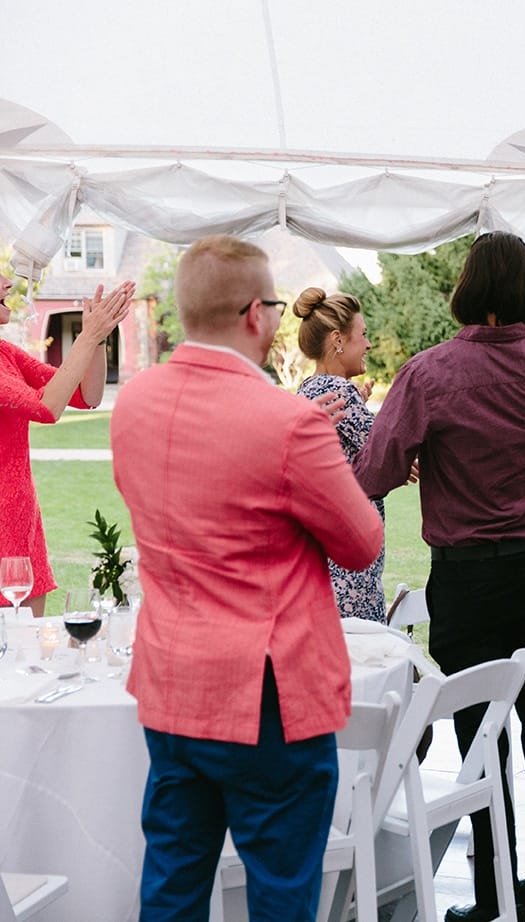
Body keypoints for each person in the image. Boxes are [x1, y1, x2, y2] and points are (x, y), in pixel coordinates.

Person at [352, 204, 525, 922]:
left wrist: (407, 455)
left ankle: (491, 893)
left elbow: (371, 474)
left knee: (481, 736)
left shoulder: (428, 373)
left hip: (465, 580)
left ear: (466, 290)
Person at [110, 235, 383, 920]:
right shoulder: (289, 422)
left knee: (172, 885)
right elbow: (360, 543)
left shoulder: (133, 404)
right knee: (281, 892)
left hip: (172, 684)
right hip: (267, 694)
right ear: (255, 314)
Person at [0, 273, 133, 615]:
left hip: (21, 519)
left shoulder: (5, 354)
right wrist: (87, 336)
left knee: (26, 655)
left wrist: (99, 339)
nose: (7, 282)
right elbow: (46, 408)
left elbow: (85, 395)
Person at [294, 287, 388, 621]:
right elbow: (387, 453)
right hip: (347, 566)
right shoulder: (339, 391)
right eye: (362, 335)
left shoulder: (309, 388)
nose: (368, 344)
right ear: (337, 340)